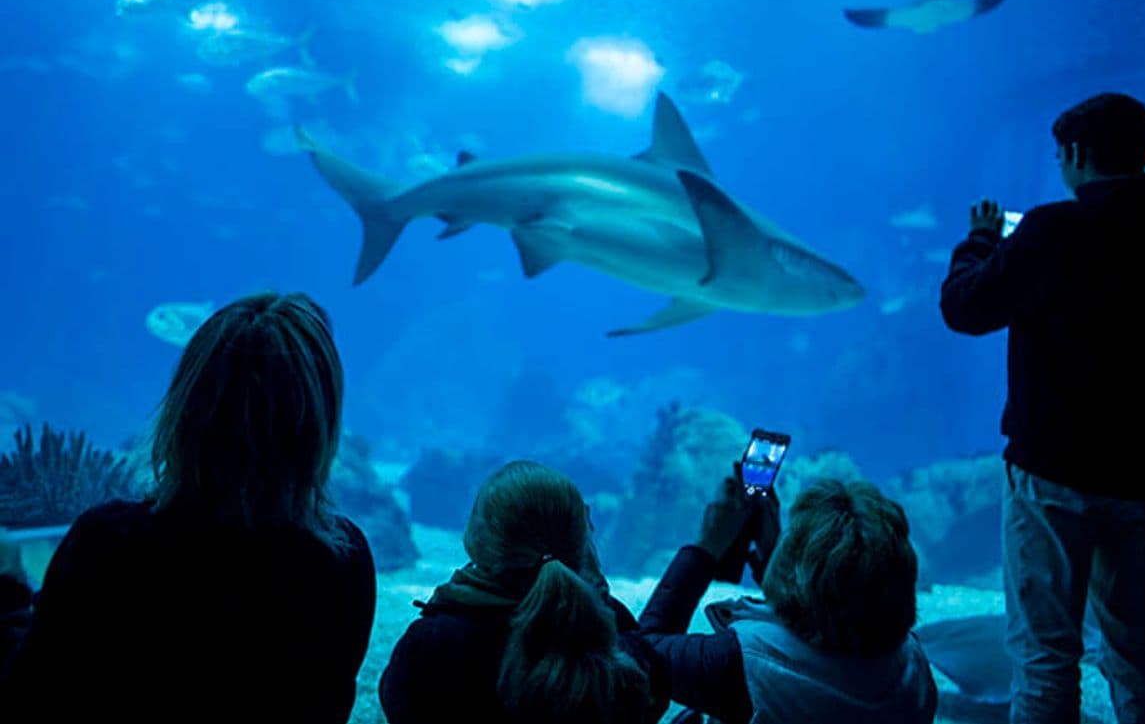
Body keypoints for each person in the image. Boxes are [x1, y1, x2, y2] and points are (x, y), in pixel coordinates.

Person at [940, 92, 1145, 724]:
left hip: (1052, 476)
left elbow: (964, 308)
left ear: (1077, 154)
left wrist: (979, 243)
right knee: (1136, 647)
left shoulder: (1052, 230)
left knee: (1045, 654)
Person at [0, 292, 377, 724]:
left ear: (185, 408)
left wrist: (9, 596)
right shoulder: (343, 560)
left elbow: (29, 696)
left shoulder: (108, 542)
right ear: (318, 426)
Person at [379, 460, 669, 724]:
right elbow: (654, 692)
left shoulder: (434, 640)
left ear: (478, 538)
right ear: (583, 537)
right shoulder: (611, 625)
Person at [637, 473, 937, 724]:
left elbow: (640, 654)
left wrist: (706, 546)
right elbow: (841, 608)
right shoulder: (913, 663)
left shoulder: (744, 662)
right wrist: (775, 559)